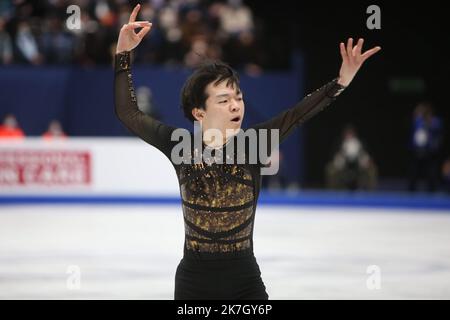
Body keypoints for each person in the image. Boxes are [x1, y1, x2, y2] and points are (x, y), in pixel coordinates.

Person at [114, 4, 381, 300]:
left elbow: (298, 113)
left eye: (238, 98)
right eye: (224, 99)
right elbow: (129, 114)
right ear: (199, 112)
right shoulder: (181, 146)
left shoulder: (254, 144)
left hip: (244, 280)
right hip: (193, 282)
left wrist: (341, 81)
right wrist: (123, 55)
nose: (236, 105)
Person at [325, 124, 378, 190]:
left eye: (351, 133)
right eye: (347, 133)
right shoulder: (339, 143)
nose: (349, 135)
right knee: (330, 169)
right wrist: (339, 157)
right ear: (344, 134)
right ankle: (332, 192)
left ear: (354, 134)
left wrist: (366, 161)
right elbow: (333, 157)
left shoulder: (360, 143)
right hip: (343, 167)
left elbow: (367, 156)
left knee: (372, 169)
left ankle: (371, 192)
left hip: (359, 167)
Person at [408, 102, 443, 192]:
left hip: (430, 152)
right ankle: (411, 192)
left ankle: (432, 191)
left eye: (424, 111)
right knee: (414, 173)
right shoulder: (418, 121)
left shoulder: (435, 121)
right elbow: (415, 129)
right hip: (418, 151)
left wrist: (428, 122)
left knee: (431, 173)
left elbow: (437, 132)